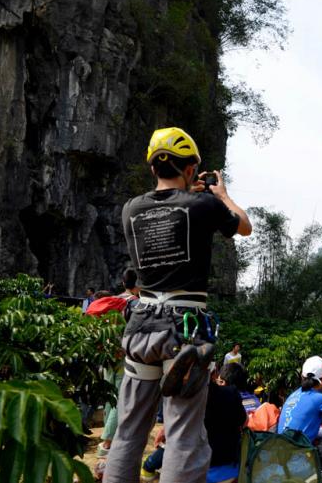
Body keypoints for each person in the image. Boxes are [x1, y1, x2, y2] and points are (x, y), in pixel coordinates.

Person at [104, 127, 252, 483]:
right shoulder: (203, 205)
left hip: (140, 325)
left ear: (153, 168)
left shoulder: (131, 209)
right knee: (184, 434)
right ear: (189, 170)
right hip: (183, 331)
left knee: (128, 431)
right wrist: (222, 195)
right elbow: (244, 226)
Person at [141, 363, 248, 482]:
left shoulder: (187, 404)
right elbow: (244, 422)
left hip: (194, 473)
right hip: (228, 472)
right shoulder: (232, 394)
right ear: (214, 375)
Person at [96, 270, 141, 459]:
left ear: (123, 283)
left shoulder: (110, 302)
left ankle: (107, 434)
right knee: (120, 398)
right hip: (124, 356)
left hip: (107, 354)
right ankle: (107, 442)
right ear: (137, 285)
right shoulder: (137, 303)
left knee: (109, 396)